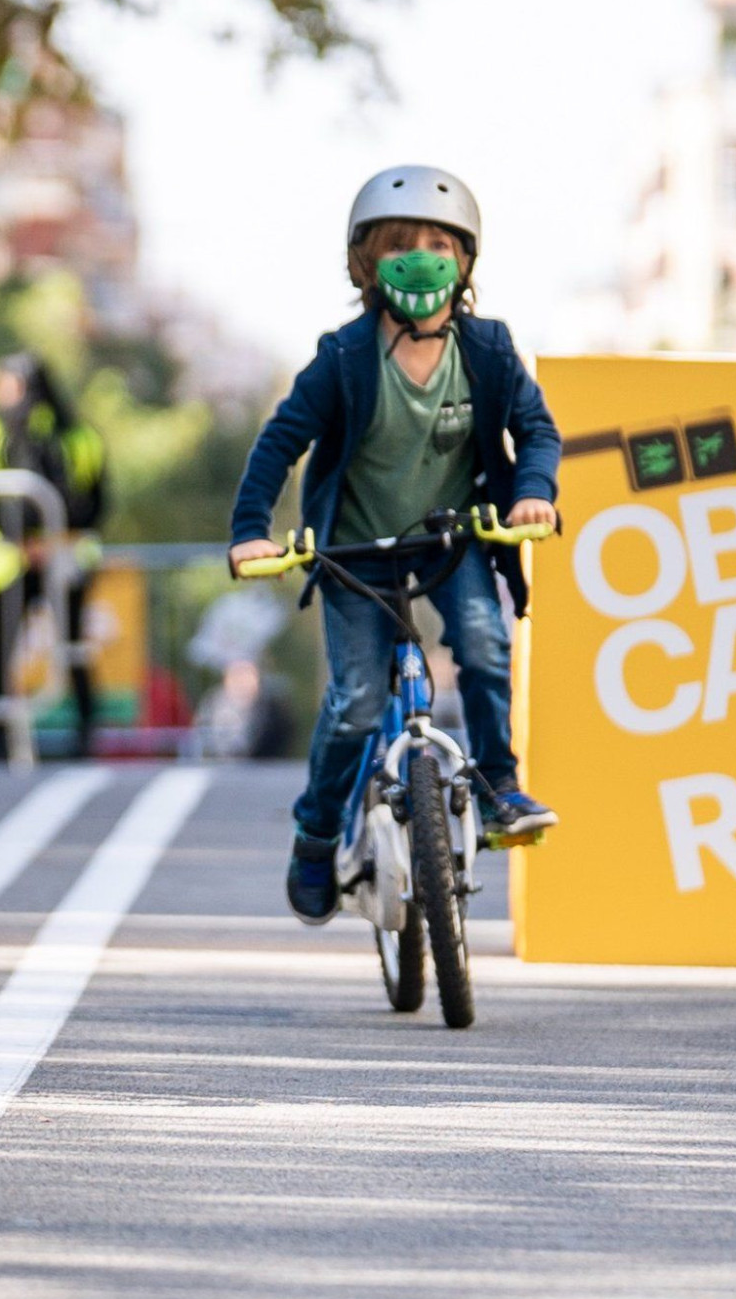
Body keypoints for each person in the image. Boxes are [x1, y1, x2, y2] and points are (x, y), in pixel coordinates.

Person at [228, 166, 562, 924]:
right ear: (366, 264)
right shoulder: (344, 359)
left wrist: (535, 490)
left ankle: (499, 786)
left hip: (448, 541)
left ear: (466, 261)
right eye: (400, 244)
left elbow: (535, 429)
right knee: (354, 704)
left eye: (439, 244)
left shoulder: (487, 350)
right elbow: (278, 444)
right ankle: (316, 835)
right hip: (353, 554)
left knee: (483, 642)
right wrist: (251, 530)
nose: (421, 258)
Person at [0, 349, 112, 755]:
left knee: (72, 646)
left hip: (65, 555)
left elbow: (95, 499)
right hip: (10, 560)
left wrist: (54, 536)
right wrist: (20, 540)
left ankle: (85, 735)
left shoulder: (72, 436)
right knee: (3, 647)